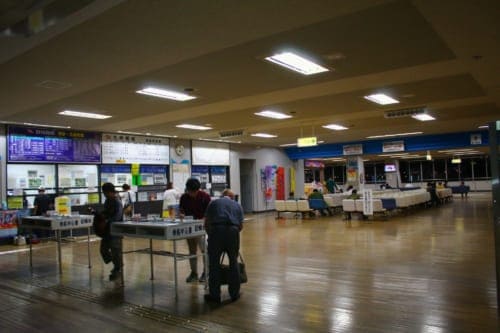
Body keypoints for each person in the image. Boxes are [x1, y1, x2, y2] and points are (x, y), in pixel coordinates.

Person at [204, 189, 244, 303]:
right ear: (231, 197)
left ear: (222, 195)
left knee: (214, 263)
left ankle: (215, 295)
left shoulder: (213, 203)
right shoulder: (237, 205)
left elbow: (206, 222)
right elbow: (241, 226)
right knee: (233, 262)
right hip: (233, 231)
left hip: (216, 231)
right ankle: (234, 294)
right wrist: (233, 234)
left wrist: (211, 235)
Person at [179, 178, 211, 283]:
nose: (191, 194)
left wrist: (204, 219)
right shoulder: (184, 197)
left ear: (198, 189)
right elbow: (181, 210)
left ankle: (206, 272)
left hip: (202, 228)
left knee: (204, 250)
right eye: (189, 191)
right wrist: (181, 214)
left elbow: (209, 212)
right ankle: (194, 273)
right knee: (192, 251)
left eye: (193, 192)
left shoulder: (205, 197)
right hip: (189, 228)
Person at [100, 182, 123, 281]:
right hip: (106, 230)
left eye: (105, 192)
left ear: (109, 192)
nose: (104, 194)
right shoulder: (107, 201)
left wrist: (107, 221)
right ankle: (117, 264)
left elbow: (117, 217)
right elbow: (105, 212)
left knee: (115, 250)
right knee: (103, 250)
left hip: (115, 230)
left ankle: (117, 268)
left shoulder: (117, 202)